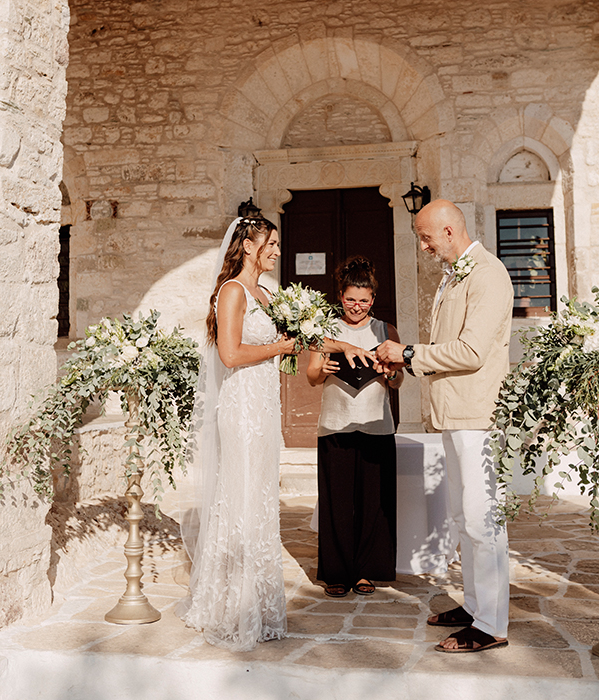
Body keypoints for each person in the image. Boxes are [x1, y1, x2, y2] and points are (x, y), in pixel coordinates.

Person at [178, 213, 376, 650]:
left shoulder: (266, 295)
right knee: (242, 497)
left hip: (264, 407)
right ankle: (232, 606)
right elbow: (230, 354)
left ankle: (261, 607)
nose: (277, 251)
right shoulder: (232, 292)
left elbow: (306, 337)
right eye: (271, 243)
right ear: (248, 245)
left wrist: (346, 345)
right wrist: (281, 347)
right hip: (241, 406)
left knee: (261, 500)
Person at [376, 199, 513, 654]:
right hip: (454, 414)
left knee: (482, 520)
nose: (424, 246)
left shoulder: (489, 274)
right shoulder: (455, 275)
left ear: (450, 231)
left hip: (478, 415)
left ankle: (492, 624)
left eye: (426, 236)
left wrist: (409, 354)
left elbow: (471, 351)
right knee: (462, 517)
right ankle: (475, 606)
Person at [307, 256, 403, 598]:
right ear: (340, 297)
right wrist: (325, 370)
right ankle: (336, 572)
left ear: (373, 300)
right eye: (351, 299)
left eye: (364, 300)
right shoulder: (326, 329)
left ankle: (366, 571)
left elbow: (398, 381)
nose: (357, 306)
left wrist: (389, 371)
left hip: (377, 426)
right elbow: (311, 377)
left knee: (372, 503)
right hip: (335, 424)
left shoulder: (385, 330)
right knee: (337, 502)